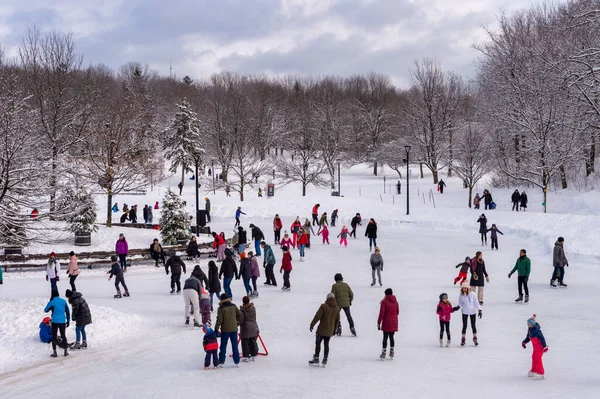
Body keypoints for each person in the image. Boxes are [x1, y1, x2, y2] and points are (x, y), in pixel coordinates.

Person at [309, 292, 340, 366]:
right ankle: (325, 359)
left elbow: (317, 316)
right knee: (326, 344)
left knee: (318, 343)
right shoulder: (337, 308)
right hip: (330, 330)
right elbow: (337, 321)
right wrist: (334, 330)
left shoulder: (323, 306)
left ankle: (316, 358)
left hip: (321, 330)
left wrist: (312, 324)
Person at [214, 293, 242, 367]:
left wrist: (216, 329)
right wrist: (237, 323)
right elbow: (240, 315)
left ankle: (221, 361)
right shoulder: (233, 306)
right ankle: (237, 361)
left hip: (225, 330)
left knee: (223, 346)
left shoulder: (221, 308)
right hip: (234, 329)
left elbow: (219, 320)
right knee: (235, 345)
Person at [44, 289, 71, 357]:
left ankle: (55, 352)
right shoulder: (63, 301)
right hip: (62, 321)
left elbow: (45, 310)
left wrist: (50, 303)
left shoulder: (52, 302)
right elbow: (67, 312)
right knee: (63, 335)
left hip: (55, 321)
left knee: (54, 336)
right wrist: (68, 320)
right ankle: (65, 351)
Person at [522, 314, 549, 380]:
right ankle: (534, 370)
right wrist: (524, 342)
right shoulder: (530, 330)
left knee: (538, 359)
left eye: (528, 323)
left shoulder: (537, 331)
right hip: (535, 348)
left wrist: (545, 347)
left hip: (540, 348)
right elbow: (528, 337)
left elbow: (542, 338)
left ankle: (540, 373)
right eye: (527, 323)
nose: (527, 324)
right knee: (534, 357)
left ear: (532, 324)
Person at [377, 288, 399, 360]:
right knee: (392, 337)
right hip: (394, 321)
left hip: (387, 321)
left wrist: (379, 322)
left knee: (385, 337)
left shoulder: (384, 302)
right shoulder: (396, 302)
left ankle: (383, 353)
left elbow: (381, 313)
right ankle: (392, 352)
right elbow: (397, 312)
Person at [458, 282, 482, 346]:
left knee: (473, 326)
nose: (464, 289)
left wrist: (480, 310)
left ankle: (475, 338)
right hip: (464, 312)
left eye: (465, 288)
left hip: (472, 312)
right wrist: (457, 307)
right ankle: (463, 339)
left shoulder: (473, 294)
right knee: (464, 326)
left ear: (468, 288)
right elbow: (460, 303)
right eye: (463, 288)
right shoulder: (461, 295)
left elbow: (476, 303)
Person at [239, 296, 259, 362]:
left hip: (245, 327)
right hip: (253, 326)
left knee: (245, 342)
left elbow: (241, 319)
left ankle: (246, 356)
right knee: (252, 341)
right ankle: (253, 354)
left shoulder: (242, 310)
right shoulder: (253, 308)